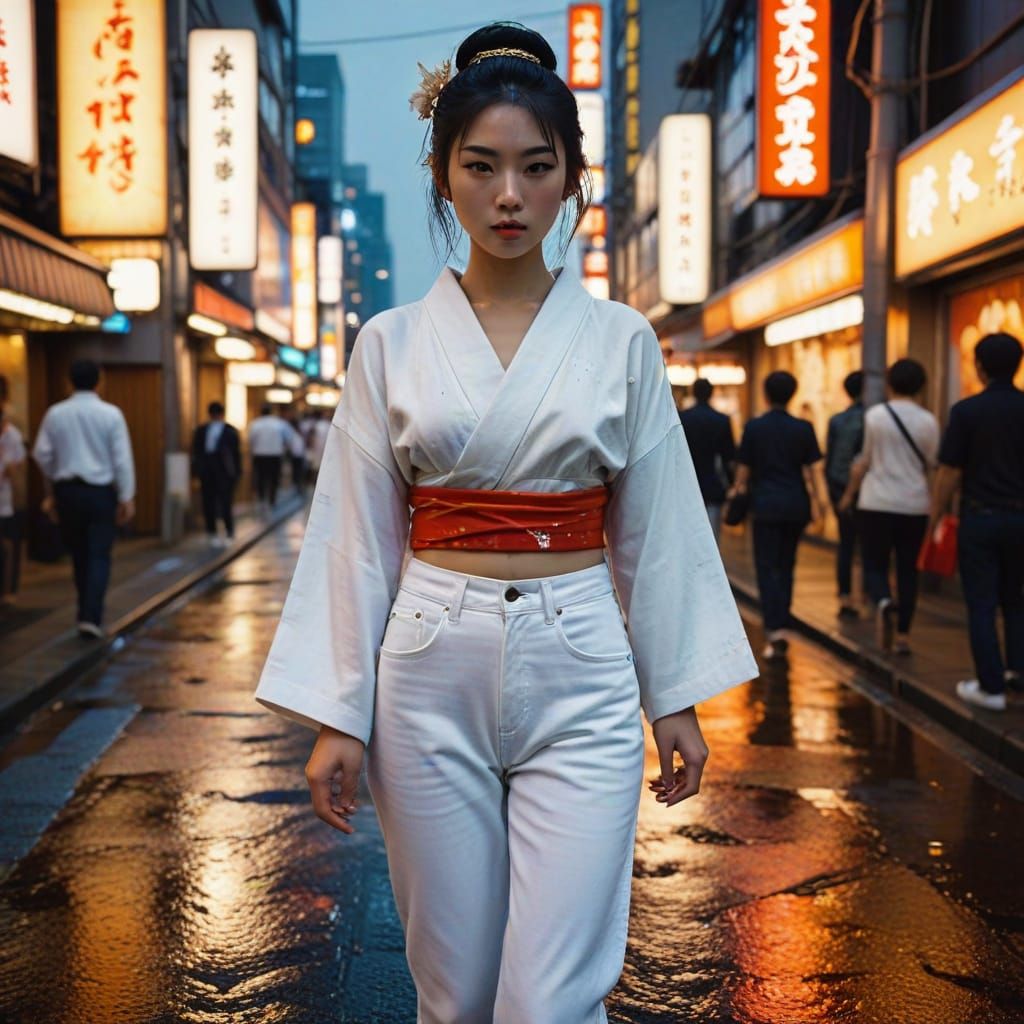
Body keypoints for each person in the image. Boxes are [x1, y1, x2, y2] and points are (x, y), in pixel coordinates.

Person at [254, 23, 757, 1023]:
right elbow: (354, 533)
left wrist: (676, 695)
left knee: (552, 993)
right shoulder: (386, 342)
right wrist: (335, 715)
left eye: (536, 166)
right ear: (443, 176)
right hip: (428, 657)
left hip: (582, 658)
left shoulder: (620, 339)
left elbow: (656, 524)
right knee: (455, 987)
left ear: (572, 178)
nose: (510, 194)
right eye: (480, 166)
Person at [929, 333, 1024, 711]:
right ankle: (1017, 674)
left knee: (982, 603)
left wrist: (935, 517)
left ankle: (991, 687)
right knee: (1016, 600)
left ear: (980, 366)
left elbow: (949, 471)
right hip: (1021, 519)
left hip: (980, 518)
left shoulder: (966, 411)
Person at [840, 358, 939, 655]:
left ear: (889, 383)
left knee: (874, 564)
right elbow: (933, 465)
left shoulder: (876, 417)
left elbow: (864, 461)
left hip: (876, 502)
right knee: (909, 570)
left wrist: (848, 495)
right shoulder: (929, 421)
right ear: (922, 385)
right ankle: (903, 638)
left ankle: (883, 600)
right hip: (914, 504)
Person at [32, 359, 135, 638]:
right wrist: (127, 497)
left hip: (68, 492)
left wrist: (53, 487)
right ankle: (91, 616)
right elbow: (122, 459)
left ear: (69, 382)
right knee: (99, 554)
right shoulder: (111, 414)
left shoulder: (56, 413)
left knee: (79, 554)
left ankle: (83, 613)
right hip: (100, 493)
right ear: (99, 381)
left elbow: (42, 454)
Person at [732, 370, 826, 661]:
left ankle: (774, 626)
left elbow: (743, 472)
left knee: (765, 565)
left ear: (766, 394)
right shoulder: (804, 428)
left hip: (765, 505)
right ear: (792, 394)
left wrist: (736, 493)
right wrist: (821, 505)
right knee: (787, 564)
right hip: (795, 504)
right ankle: (782, 620)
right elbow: (813, 472)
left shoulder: (755, 428)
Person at [825, 370, 864, 618]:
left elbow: (830, 457)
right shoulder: (874, 417)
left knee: (846, 543)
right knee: (869, 545)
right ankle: (871, 594)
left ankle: (845, 595)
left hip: (838, 486)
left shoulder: (837, 420)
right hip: (867, 489)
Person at [678, 377, 736, 542]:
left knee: (687, 537)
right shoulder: (722, 420)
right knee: (711, 537)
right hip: (713, 485)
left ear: (693, 393)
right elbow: (728, 458)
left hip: (686, 485)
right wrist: (731, 484)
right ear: (711, 393)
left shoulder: (683, 418)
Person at [191, 400, 240, 546]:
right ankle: (212, 532)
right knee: (209, 502)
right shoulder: (202, 430)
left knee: (225, 502)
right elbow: (197, 451)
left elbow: (235, 454)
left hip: (224, 471)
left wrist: (236, 472)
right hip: (208, 471)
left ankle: (228, 531)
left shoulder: (229, 431)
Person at [0, 400, 27, 603]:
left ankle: (8, 590)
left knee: (8, 545)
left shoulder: (13, 436)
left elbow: (18, 468)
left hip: (6, 501)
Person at [248, 404, 299, 509]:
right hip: (275, 455)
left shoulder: (255, 424)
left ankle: (262, 499)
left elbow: (251, 440)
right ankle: (272, 500)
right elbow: (289, 438)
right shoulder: (279, 424)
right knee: (274, 478)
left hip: (260, 455)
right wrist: (283, 448)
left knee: (261, 478)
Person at [305, 409, 331, 481]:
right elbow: (311, 437)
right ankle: (314, 481)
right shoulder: (318, 425)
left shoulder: (329, 425)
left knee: (320, 467)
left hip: (324, 449)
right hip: (318, 448)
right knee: (315, 467)